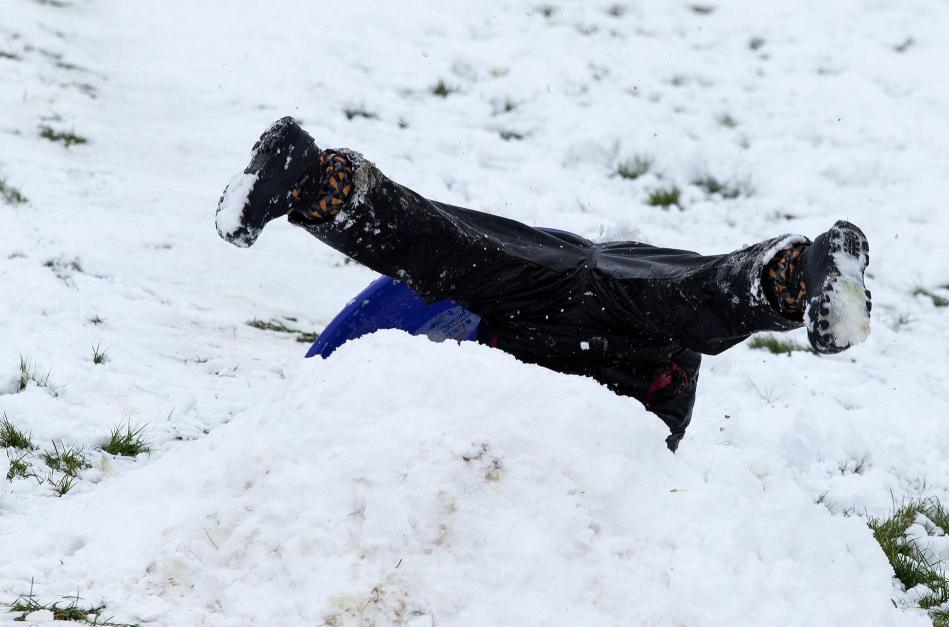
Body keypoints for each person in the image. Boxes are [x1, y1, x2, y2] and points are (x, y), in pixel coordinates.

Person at [216, 117, 871, 450]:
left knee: (441, 249)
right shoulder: (610, 454)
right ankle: (802, 272)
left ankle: (311, 177)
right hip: (617, 328)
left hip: (541, 305)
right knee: (698, 299)